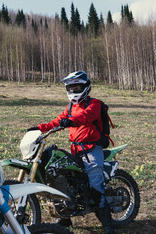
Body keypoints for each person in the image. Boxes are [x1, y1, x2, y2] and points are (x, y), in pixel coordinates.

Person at [27, 71, 115, 234]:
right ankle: (66, 216)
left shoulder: (95, 104)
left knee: (96, 184)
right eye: (71, 88)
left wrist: (71, 121)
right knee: (62, 178)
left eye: (77, 87)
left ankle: (108, 224)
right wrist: (38, 128)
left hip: (92, 150)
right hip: (75, 149)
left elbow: (85, 116)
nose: (74, 91)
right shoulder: (70, 107)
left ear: (85, 87)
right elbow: (56, 122)